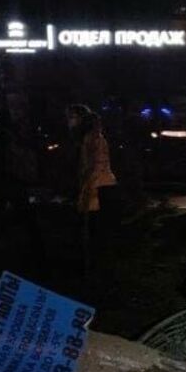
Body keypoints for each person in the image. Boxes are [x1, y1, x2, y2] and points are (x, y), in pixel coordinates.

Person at [0, 109, 44, 261]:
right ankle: (36, 243)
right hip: (15, 179)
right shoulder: (15, 136)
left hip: (0, 180)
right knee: (25, 211)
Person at [66, 103, 118, 271]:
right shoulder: (91, 137)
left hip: (97, 186)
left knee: (94, 228)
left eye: (72, 117)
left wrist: (87, 188)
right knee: (95, 228)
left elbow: (91, 166)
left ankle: (94, 265)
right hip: (98, 184)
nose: (69, 121)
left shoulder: (92, 138)